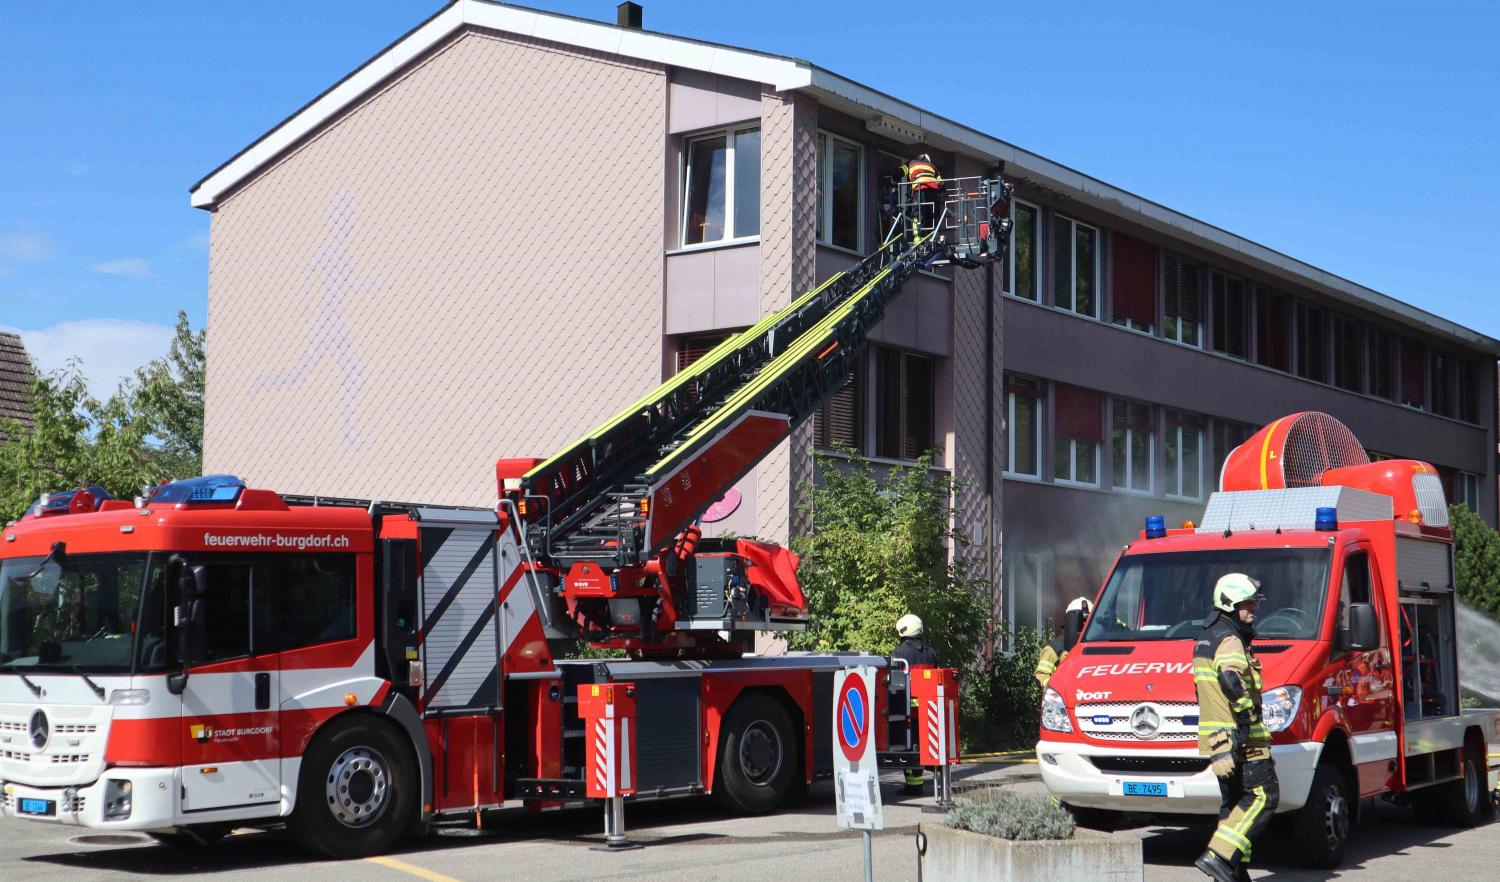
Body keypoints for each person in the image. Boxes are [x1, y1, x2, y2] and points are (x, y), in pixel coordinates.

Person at [1193, 574, 1278, 882]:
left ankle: (1233, 874)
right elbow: (1230, 679)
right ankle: (1219, 858)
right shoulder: (1230, 639)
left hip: (1219, 741)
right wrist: (1245, 715)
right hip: (1241, 736)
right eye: (1247, 603)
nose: (1254, 608)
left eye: (1254, 602)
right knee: (1263, 796)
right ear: (1229, 603)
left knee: (1233, 806)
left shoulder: (1207, 636)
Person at [893, 613, 938, 792]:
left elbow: (895, 682)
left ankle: (913, 785)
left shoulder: (899, 653)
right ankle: (921, 783)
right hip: (929, 707)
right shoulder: (931, 652)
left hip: (907, 708)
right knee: (923, 743)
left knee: (909, 745)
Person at [1034, 596, 1093, 688]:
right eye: (1084, 620)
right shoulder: (1054, 648)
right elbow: (1041, 676)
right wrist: (1059, 687)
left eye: (1091, 620)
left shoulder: (1098, 645)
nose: (1087, 624)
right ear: (1072, 621)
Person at [900, 153, 944, 232]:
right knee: (932, 214)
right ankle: (933, 235)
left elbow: (900, 172)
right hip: (933, 190)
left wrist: (891, 181)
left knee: (918, 212)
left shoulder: (911, 163)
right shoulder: (933, 166)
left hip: (920, 188)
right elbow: (941, 182)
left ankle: (918, 236)